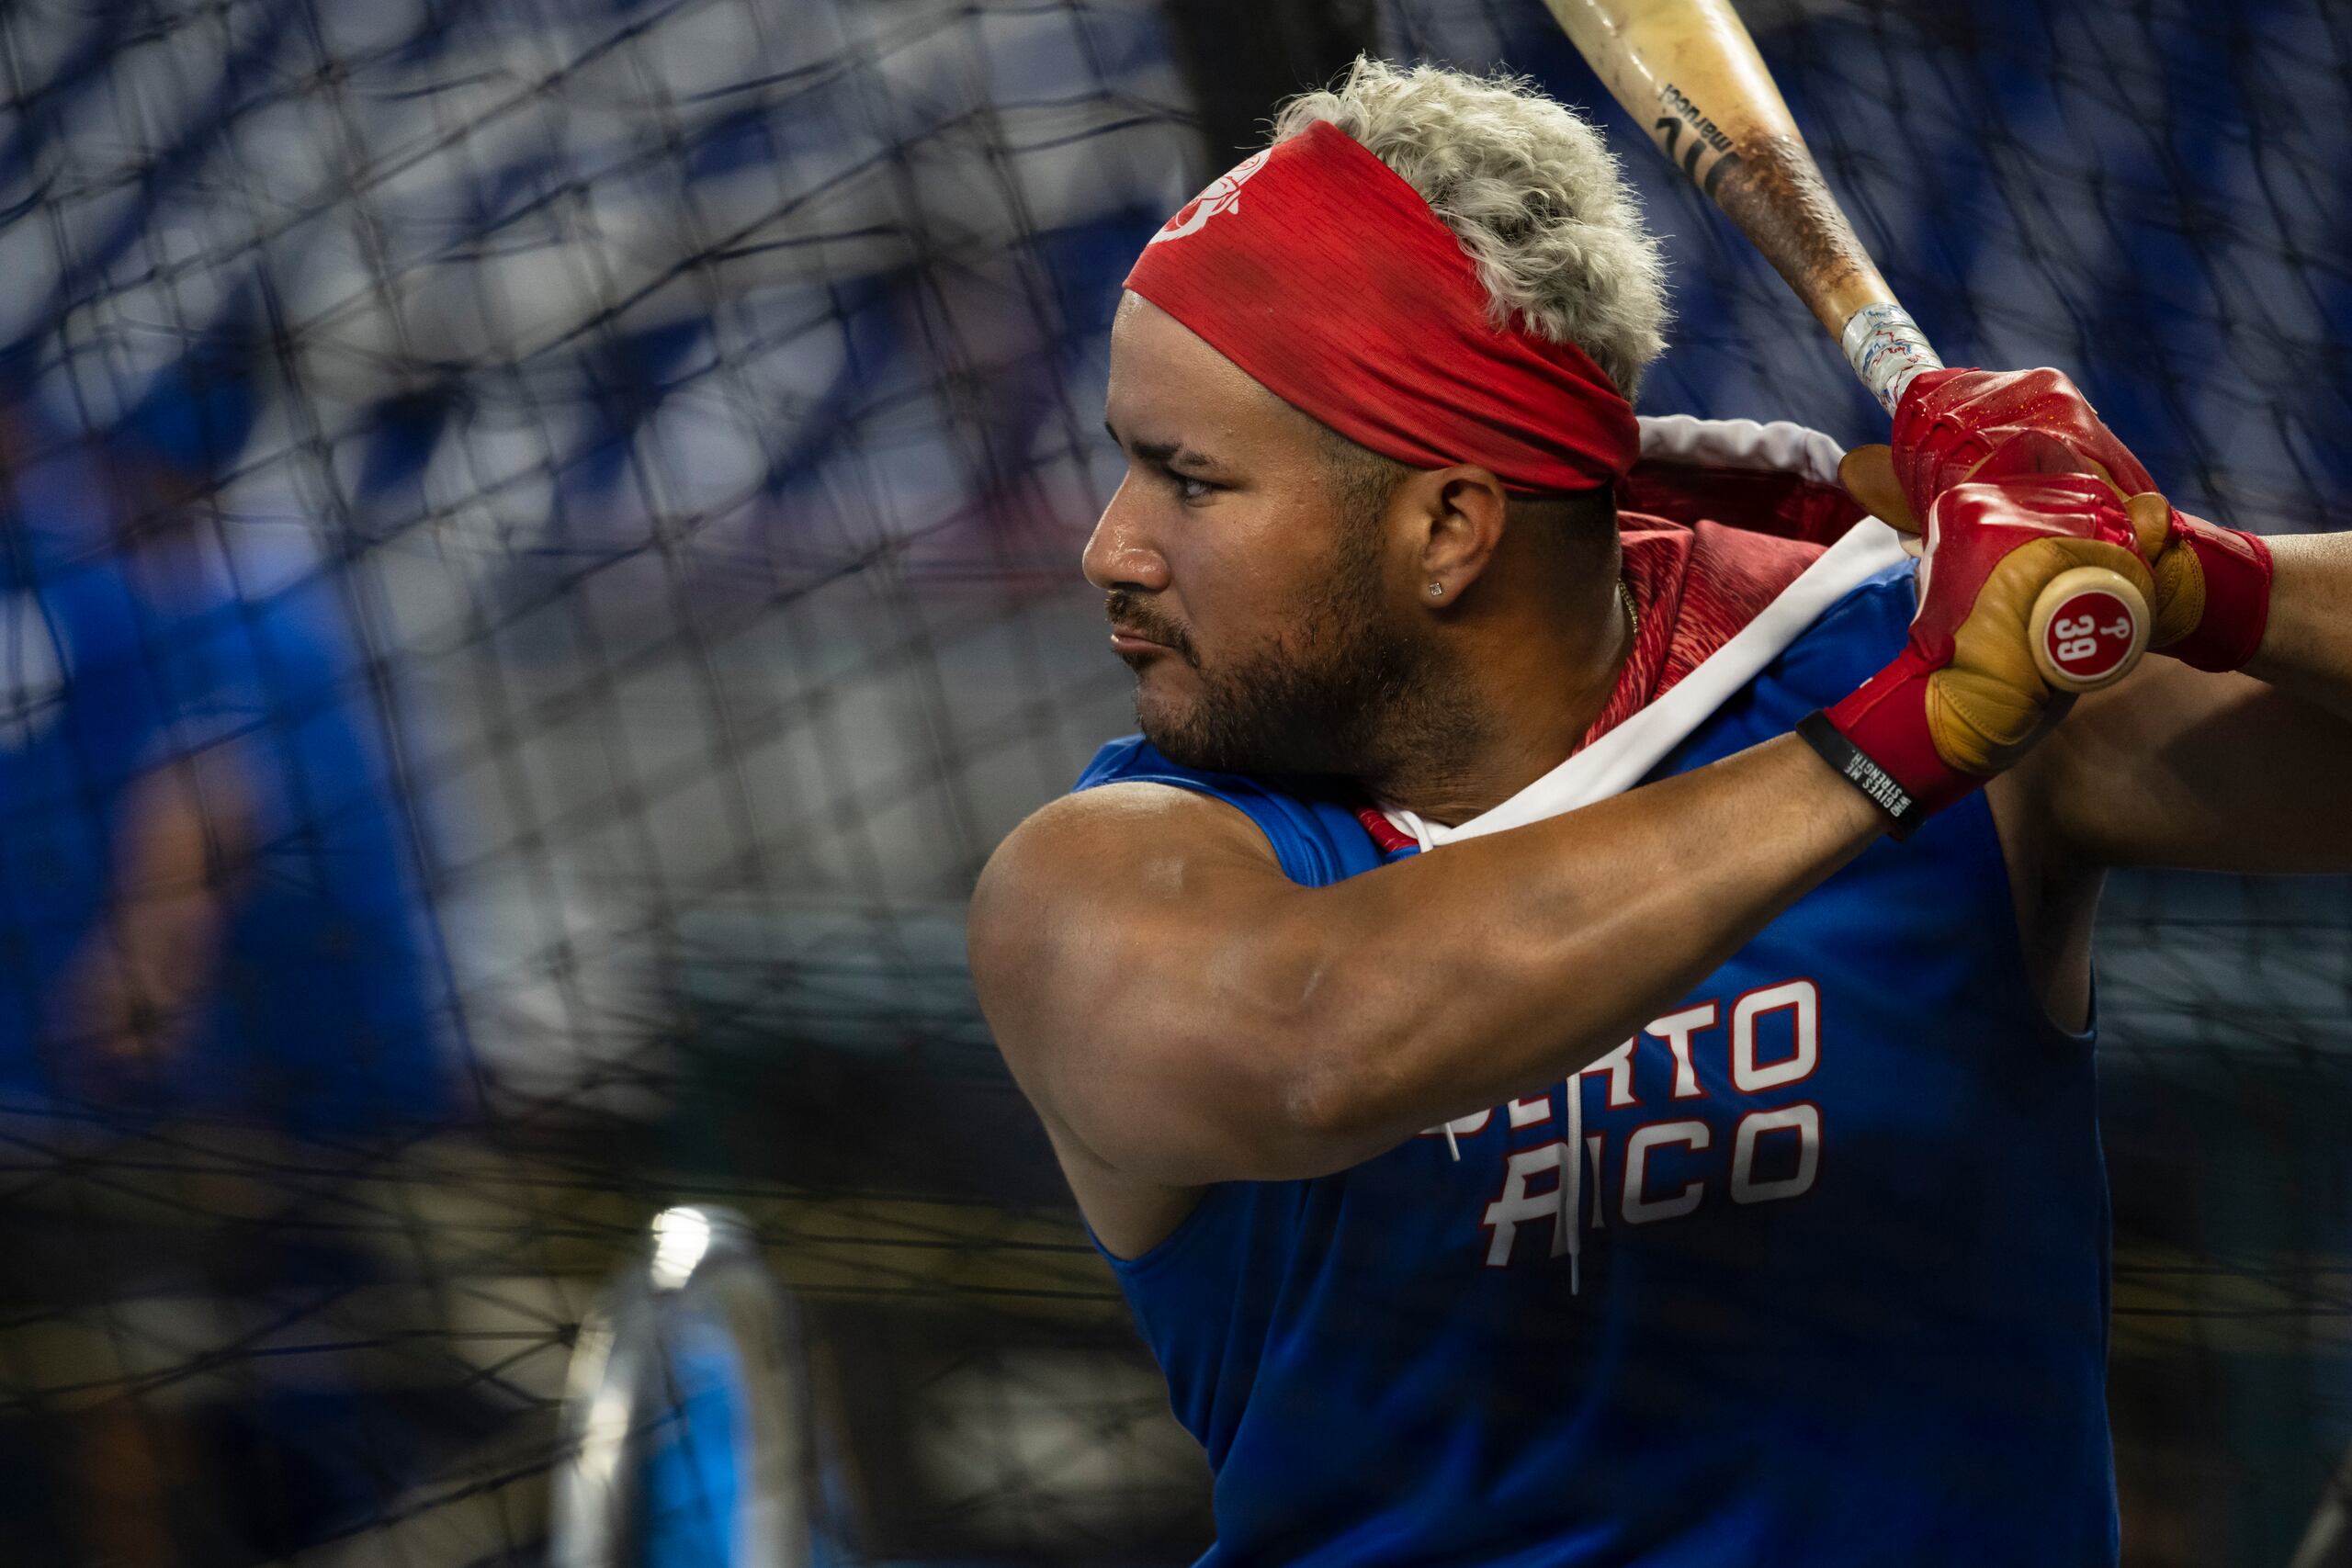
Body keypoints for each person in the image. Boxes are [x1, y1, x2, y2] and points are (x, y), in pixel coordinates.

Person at [963, 58, 2352, 1566]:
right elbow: (1318, 1045)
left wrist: (2179, 564)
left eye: (1187, 481)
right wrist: (1899, 741)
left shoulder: (1905, 678)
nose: (1111, 547)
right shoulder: (1108, 875)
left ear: (1448, 529)